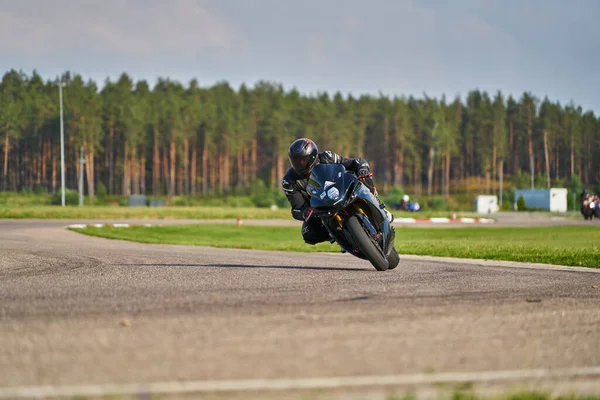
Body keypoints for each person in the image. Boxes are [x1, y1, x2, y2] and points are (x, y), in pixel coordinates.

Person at [281, 138, 394, 246]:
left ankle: (378, 205)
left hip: (341, 191)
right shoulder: (289, 181)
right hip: (320, 209)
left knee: (364, 177)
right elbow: (297, 209)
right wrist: (306, 212)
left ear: (312, 156)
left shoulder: (327, 157)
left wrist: (362, 169)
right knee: (308, 233)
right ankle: (338, 235)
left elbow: (354, 162)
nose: (299, 165)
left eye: (303, 161)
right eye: (295, 161)